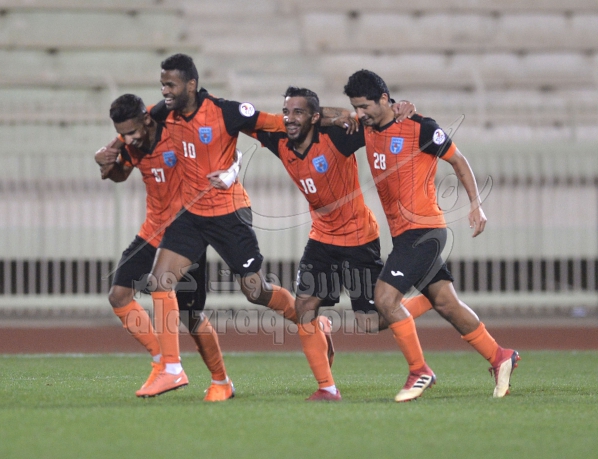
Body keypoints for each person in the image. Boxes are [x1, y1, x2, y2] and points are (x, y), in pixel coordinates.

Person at [134, 53, 334, 397]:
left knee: (255, 291)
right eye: (162, 84)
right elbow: (136, 124)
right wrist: (111, 149)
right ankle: (175, 369)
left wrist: (337, 116)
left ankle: (315, 321)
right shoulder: (163, 112)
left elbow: (279, 123)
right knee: (160, 283)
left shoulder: (226, 112)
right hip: (190, 216)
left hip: (229, 214)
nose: (165, 90)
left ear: (191, 84)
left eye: (171, 84)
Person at [343, 69, 520, 398]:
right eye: (356, 107)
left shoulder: (420, 127)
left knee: (384, 300)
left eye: (364, 106)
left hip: (424, 230)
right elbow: (326, 116)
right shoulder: (366, 126)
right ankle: (500, 356)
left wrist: (476, 205)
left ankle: (419, 371)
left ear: (384, 99)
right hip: (404, 234)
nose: (360, 113)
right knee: (446, 304)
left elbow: (459, 161)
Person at [251, 86, 434, 401]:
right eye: (286, 112)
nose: (289, 119)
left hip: (358, 237)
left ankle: (430, 299)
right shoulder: (279, 140)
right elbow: (241, 120)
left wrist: (399, 108)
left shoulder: (339, 136)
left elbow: (376, 120)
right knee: (304, 306)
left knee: (370, 322)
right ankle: (327, 388)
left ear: (315, 117)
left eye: (298, 112)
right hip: (322, 238)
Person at [95, 94, 239, 401]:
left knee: (191, 317)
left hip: (185, 234)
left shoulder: (175, 135)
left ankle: (221, 381)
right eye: (122, 134)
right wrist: (107, 163)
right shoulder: (133, 145)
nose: (129, 139)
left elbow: (218, 147)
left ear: (147, 120)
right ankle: (164, 362)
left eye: (132, 132)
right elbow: (120, 174)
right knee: (118, 296)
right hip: (151, 232)